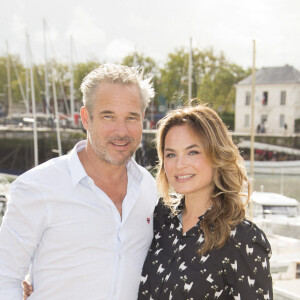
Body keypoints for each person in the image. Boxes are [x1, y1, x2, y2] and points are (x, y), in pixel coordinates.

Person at [0, 64, 158, 299]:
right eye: (109, 116)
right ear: (86, 118)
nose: (121, 130)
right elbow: (5, 280)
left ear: (143, 119)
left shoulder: (148, 187)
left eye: (131, 117)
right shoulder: (36, 187)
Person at [138, 103, 273, 299]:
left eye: (192, 152)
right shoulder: (161, 217)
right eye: (171, 154)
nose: (180, 164)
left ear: (216, 155)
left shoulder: (243, 240)